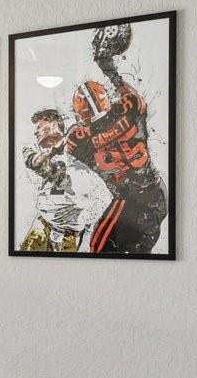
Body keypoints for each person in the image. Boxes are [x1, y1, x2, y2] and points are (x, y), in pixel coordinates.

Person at [62, 23, 169, 254]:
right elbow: (123, 88)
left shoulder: (79, 141)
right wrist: (107, 64)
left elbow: (72, 142)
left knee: (98, 249)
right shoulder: (130, 108)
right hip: (157, 194)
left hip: (129, 202)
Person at [18, 107, 112, 252]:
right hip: (43, 226)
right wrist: (51, 152)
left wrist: (86, 224)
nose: (35, 132)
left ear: (53, 124)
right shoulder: (33, 147)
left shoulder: (79, 149)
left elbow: (105, 194)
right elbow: (36, 163)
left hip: (71, 233)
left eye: (39, 127)